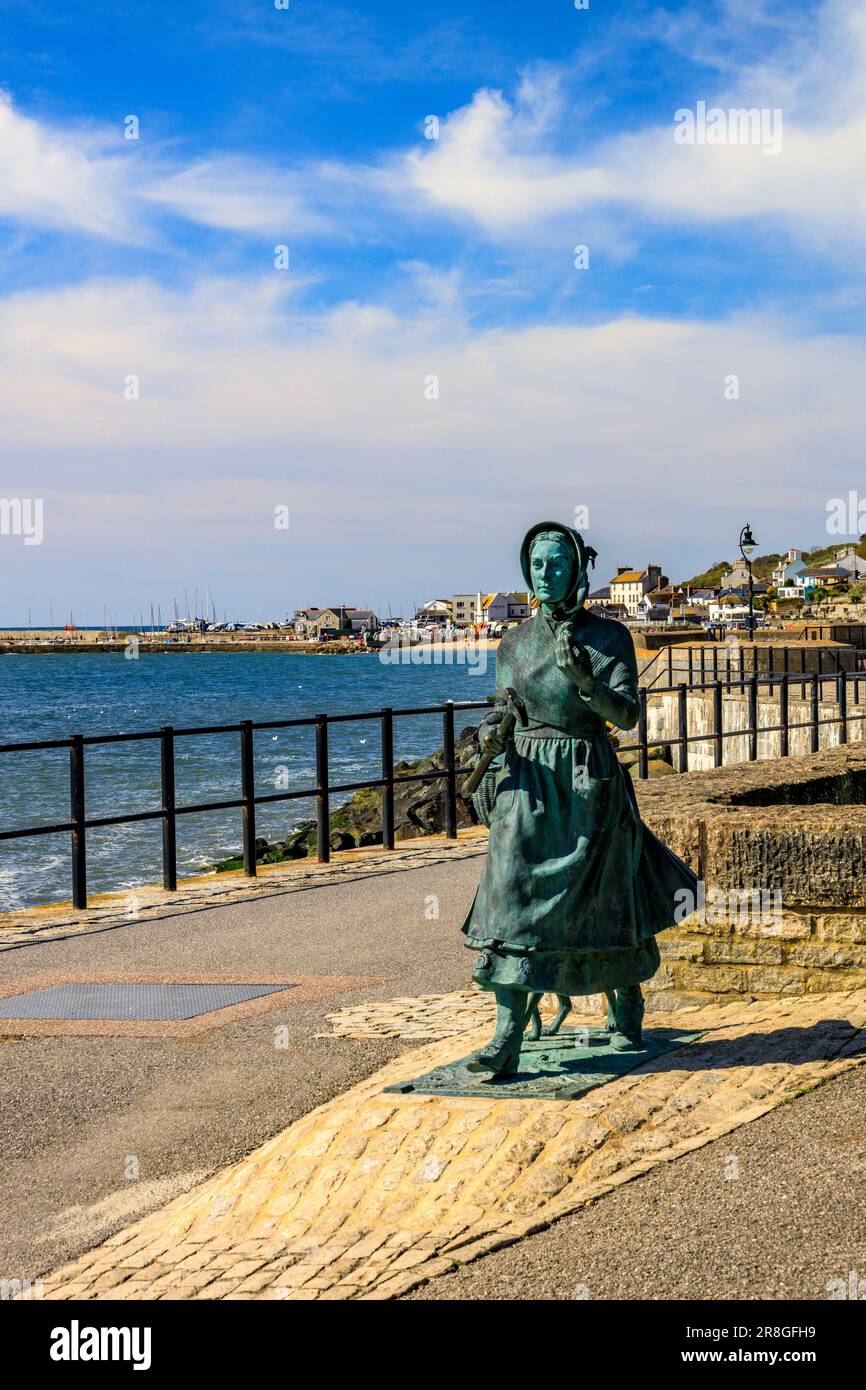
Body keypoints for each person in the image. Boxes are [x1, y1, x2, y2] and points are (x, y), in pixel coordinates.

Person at [462, 520, 698, 1075]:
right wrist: (491, 732)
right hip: (525, 781)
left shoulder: (609, 637)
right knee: (510, 894)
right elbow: (506, 706)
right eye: (538, 565)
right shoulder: (515, 642)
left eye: (557, 564)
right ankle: (506, 1035)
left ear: (578, 570)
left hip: (588, 780)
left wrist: (587, 682)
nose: (546, 574)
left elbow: (629, 716)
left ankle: (625, 995)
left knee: (601, 901)